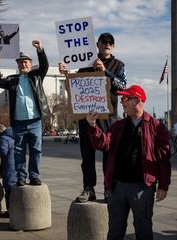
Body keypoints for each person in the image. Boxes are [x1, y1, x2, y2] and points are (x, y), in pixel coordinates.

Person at [86, 85, 171, 240]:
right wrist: (93, 126)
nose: (121, 102)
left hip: (142, 188)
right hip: (117, 187)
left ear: (137, 100)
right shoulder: (118, 125)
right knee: (114, 232)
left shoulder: (156, 126)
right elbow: (103, 144)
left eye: (125, 98)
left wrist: (164, 185)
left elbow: (164, 159)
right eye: (122, 98)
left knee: (143, 231)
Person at [59, 32, 127, 202]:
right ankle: (88, 188)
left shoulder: (118, 65)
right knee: (87, 154)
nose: (107, 44)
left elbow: (122, 87)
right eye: (104, 42)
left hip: (108, 116)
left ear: (114, 46)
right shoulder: (86, 63)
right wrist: (66, 74)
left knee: (109, 154)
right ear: (97, 45)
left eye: (110, 42)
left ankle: (108, 188)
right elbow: (76, 84)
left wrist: (105, 72)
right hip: (87, 115)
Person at [0, 40, 49, 186]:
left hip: (35, 120)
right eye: (21, 62)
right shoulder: (13, 80)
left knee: (36, 150)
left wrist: (39, 49)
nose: (24, 64)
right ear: (18, 66)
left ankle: (34, 175)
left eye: (26, 62)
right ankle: (21, 176)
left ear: (30, 64)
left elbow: (44, 66)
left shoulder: (36, 76)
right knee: (19, 151)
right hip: (18, 122)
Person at [0, 124, 16, 217]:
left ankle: (10, 212)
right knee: (12, 188)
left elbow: (3, 150)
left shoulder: (4, 138)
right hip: (15, 165)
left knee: (9, 189)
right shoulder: (12, 136)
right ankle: (12, 211)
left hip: (9, 166)